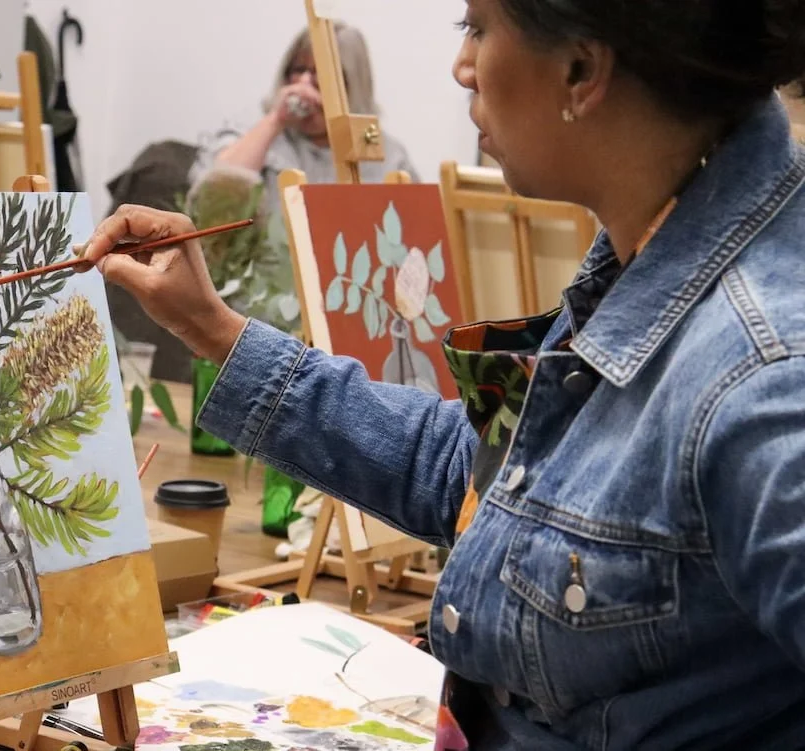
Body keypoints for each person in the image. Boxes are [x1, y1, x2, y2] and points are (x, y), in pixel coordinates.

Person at [81, 1, 805, 747]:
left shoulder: (766, 381)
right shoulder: (649, 254)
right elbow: (486, 476)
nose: (463, 67)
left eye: (477, 29)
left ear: (581, 69)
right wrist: (213, 329)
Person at [187, 22, 419, 224]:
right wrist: (276, 121)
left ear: (353, 85)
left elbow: (417, 229)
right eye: (298, 70)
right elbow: (213, 198)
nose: (304, 84)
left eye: (321, 75)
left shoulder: (388, 154)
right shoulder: (255, 127)